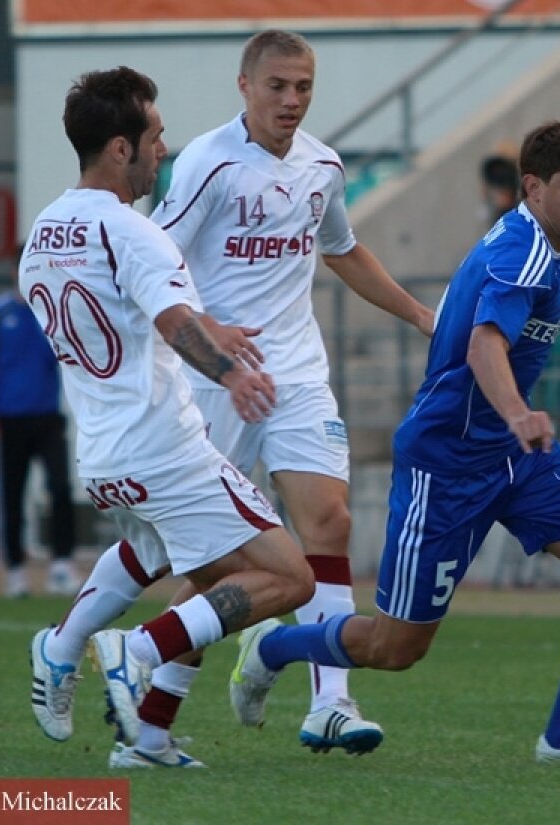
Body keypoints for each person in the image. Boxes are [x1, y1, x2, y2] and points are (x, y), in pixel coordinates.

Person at [227, 120, 560, 764]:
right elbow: (486, 344)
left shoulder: (559, 259)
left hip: (515, 457)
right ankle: (270, 649)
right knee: (395, 648)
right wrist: (517, 414)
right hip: (446, 464)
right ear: (533, 188)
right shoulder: (521, 254)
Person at [145, 28, 434, 754]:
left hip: (298, 373)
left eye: (303, 86)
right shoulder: (208, 163)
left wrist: (425, 314)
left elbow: (343, 250)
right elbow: (156, 262)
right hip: (217, 379)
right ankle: (140, 710)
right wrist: (209, 328)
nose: (292, 100)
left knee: (329, 522)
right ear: (244, 85)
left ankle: (331, 701)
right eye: (278, 85)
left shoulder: (323, 166)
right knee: (224, 563)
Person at [25, 65, 318, 769]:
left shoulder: (44, 229)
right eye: (155, 136)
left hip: (99, 454)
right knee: (288, 576)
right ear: (121, 149)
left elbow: (123, 320)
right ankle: (138, 648)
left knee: (153, 551)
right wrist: (231, 373)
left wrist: (209, 333)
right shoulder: (134, 231)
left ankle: (70, 657)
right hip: (164, 449)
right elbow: (173, 322)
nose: (165, 148)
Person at [0, 250, 79, 599]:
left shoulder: (51, 314)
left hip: (47, 417)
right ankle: (15, 570)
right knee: (10, 495)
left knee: (60, 487)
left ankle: (61, 564)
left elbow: (70, 362)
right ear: (15, 270)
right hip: (7, 419)